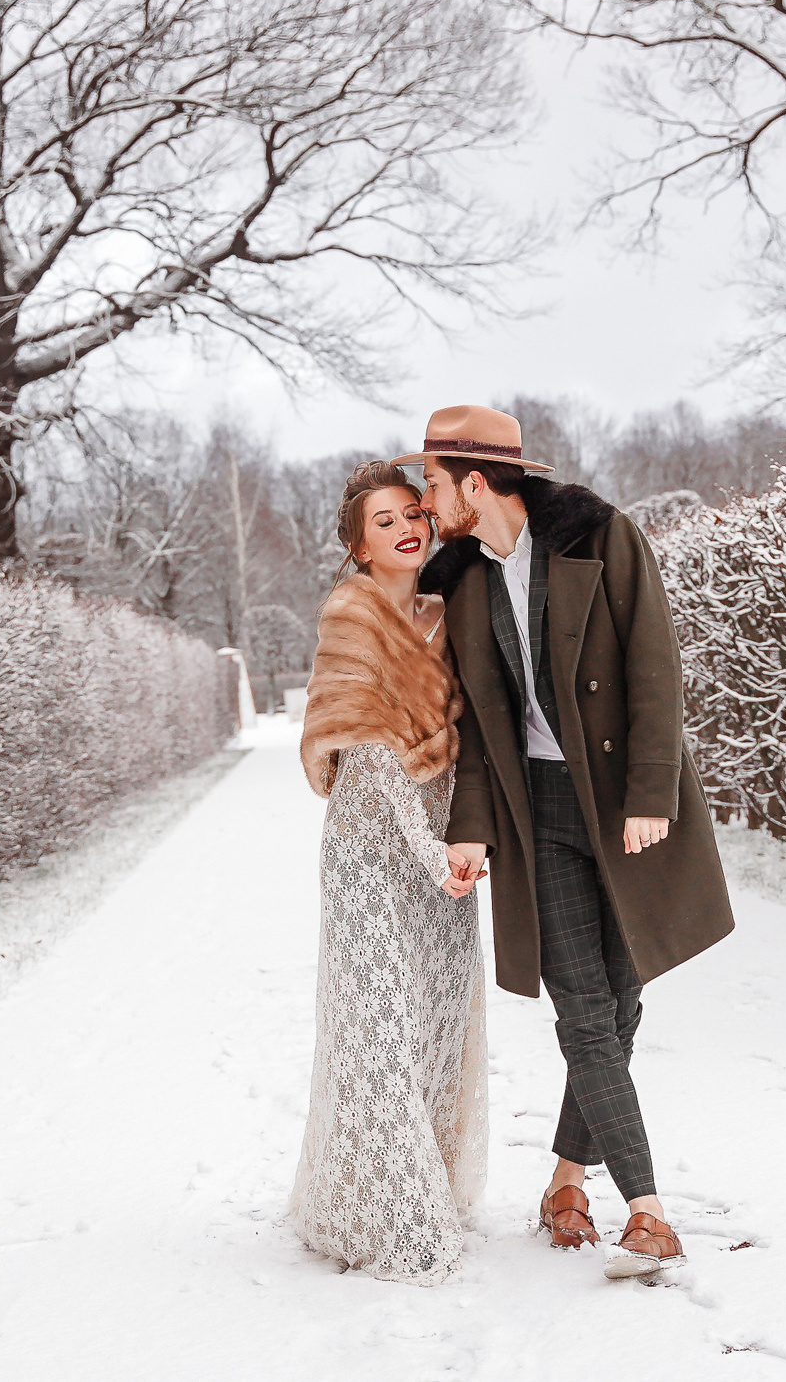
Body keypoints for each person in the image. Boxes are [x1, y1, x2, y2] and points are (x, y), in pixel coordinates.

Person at [401, 405, 734, 1280]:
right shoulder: (466, 578)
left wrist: (651, 788)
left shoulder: (600, 537)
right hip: (536, 812)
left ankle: (561, 1182)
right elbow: (480, 725)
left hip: (622, 802)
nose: (427, 504)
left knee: (622, 1006)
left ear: (475, 483)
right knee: (583, 1010)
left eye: (433, 485)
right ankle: (650, 1211)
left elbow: (655, 662)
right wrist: (469, 825)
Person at [288, 461, 489, 1284]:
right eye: (384, 521)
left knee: (436, 1032)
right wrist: (422, 847)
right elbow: (366, 747)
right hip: (376, 849)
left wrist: (465, 841)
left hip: (446, 850)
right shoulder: (352, 609)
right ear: (357, 545)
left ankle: (423, 1191)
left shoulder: (452, 612)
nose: (407, 526)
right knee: (376, 1034)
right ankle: (401, 1226)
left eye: (413, 510)